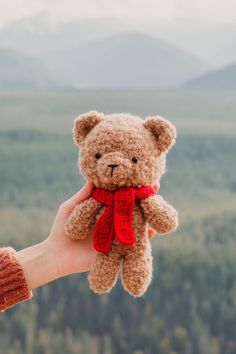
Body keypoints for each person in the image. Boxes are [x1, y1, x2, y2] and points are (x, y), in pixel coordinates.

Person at [0, 182, 157, 312]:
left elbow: (166, 220)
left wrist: (54, 252)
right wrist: (54, 253)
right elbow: (77, 224)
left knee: (136, 260)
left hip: (128, 240)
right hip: (103, 242)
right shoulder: (98, 200)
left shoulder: (142, 197)